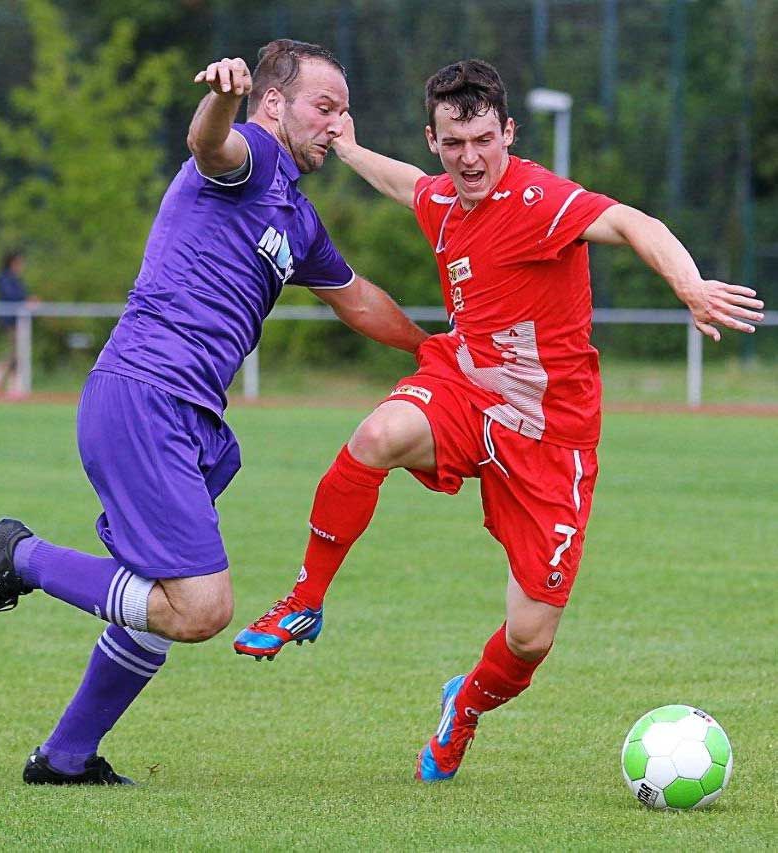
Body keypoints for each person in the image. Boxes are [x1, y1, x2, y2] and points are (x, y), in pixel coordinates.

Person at [234, 59, 764, 782]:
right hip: (464, 389)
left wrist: (689, 284)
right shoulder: (444, 201)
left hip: (551, 437)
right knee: (376, 435)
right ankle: (305, 598)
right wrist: (351, 149)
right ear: (433, 139)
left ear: (507, 132)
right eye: (453, 143)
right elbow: (405, 186)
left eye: (483, 139)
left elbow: (634, 222)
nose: (469, 157)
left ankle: (466, 706)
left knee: (528, 635)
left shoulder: (539, 199)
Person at [0, 40, 427, 785]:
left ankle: (65, 757)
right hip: (146, 394)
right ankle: (22, 556)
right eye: (323, 108)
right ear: (274, 104)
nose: (337, 125)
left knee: (156, 598)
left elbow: (358, 299)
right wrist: (223, 97)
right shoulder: (253, 156)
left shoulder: (296, 218)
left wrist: (437, 351)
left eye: (344, 111)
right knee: (199, 608)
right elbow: (209, 144)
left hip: (187, 414)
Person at [0, 249, 38, 398]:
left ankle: (10, 383)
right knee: (17, 350)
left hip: (18, 319)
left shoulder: (15, 278)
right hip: (10, 319)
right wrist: (26, 300)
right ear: (12, 262)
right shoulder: (4, 278)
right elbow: (11, 296)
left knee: (18, 351)